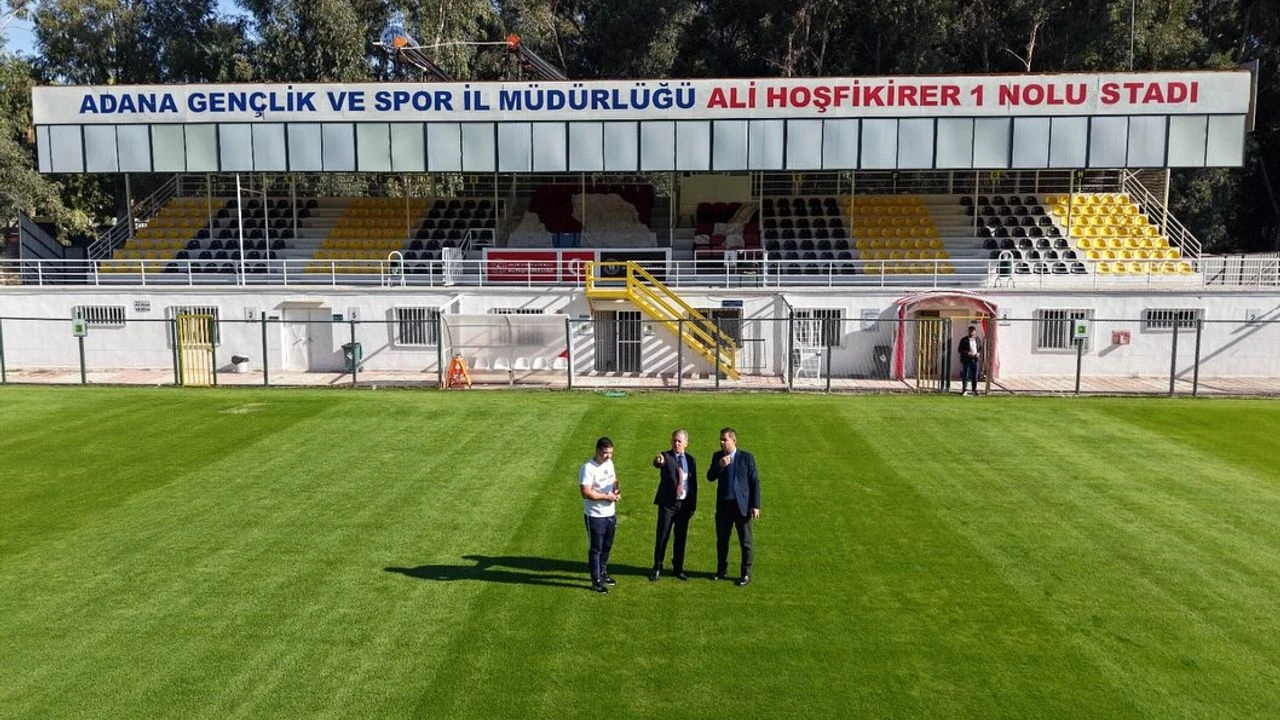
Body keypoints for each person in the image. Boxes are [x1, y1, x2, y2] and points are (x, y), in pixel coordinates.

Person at [705, 427, 760, 587]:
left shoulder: (746, 458)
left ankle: (746, 574)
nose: (722, 443)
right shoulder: (718, 456)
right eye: (720, 440)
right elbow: (710, 477)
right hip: (724, 507)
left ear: (733, 441)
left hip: (741, 507)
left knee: (746, 542)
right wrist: (719, 466)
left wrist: (755, 505)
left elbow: (755, 482)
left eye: (725, 440)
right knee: (722, 540)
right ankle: (721, 570)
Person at [650, 429, 698, 582]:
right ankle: (657, 567)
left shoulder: (690, 460)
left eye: (679, 441)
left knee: (681, 537)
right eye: (674, 440)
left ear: (686, 444)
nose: (676, 443)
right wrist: (658, 461)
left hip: (683, 506)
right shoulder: (666, 456)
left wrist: (693, 506)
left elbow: (693, 484)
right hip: (668, 505)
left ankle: (678, 568)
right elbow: (658, 462)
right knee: (663, 536)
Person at [579, 436, 619, 594]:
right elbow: (585, 492)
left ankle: (603, 573)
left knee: (607, 546)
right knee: (596, 548)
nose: (608, 456)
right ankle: (595, 580)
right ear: (597, 451)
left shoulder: (609, 463)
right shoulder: (588, 468)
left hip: (610, 513)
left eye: (610, 453)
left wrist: (616, 491)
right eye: (605, 453)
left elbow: (614, 480)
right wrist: (606, 497)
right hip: (595, 515)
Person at [958, 325, 983, 396]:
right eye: (970, 331)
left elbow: (980, 347)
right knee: (965, 375)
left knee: (975, 376)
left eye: (973, 332)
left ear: (975, 332)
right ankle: (964, 390)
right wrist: (968, 353)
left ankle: (974, 390)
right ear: (968, 332)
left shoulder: (977, 339)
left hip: (975, 360)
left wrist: (978, 353)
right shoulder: (964, 340)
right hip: (967, 360)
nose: (972, 333)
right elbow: (960, 350)